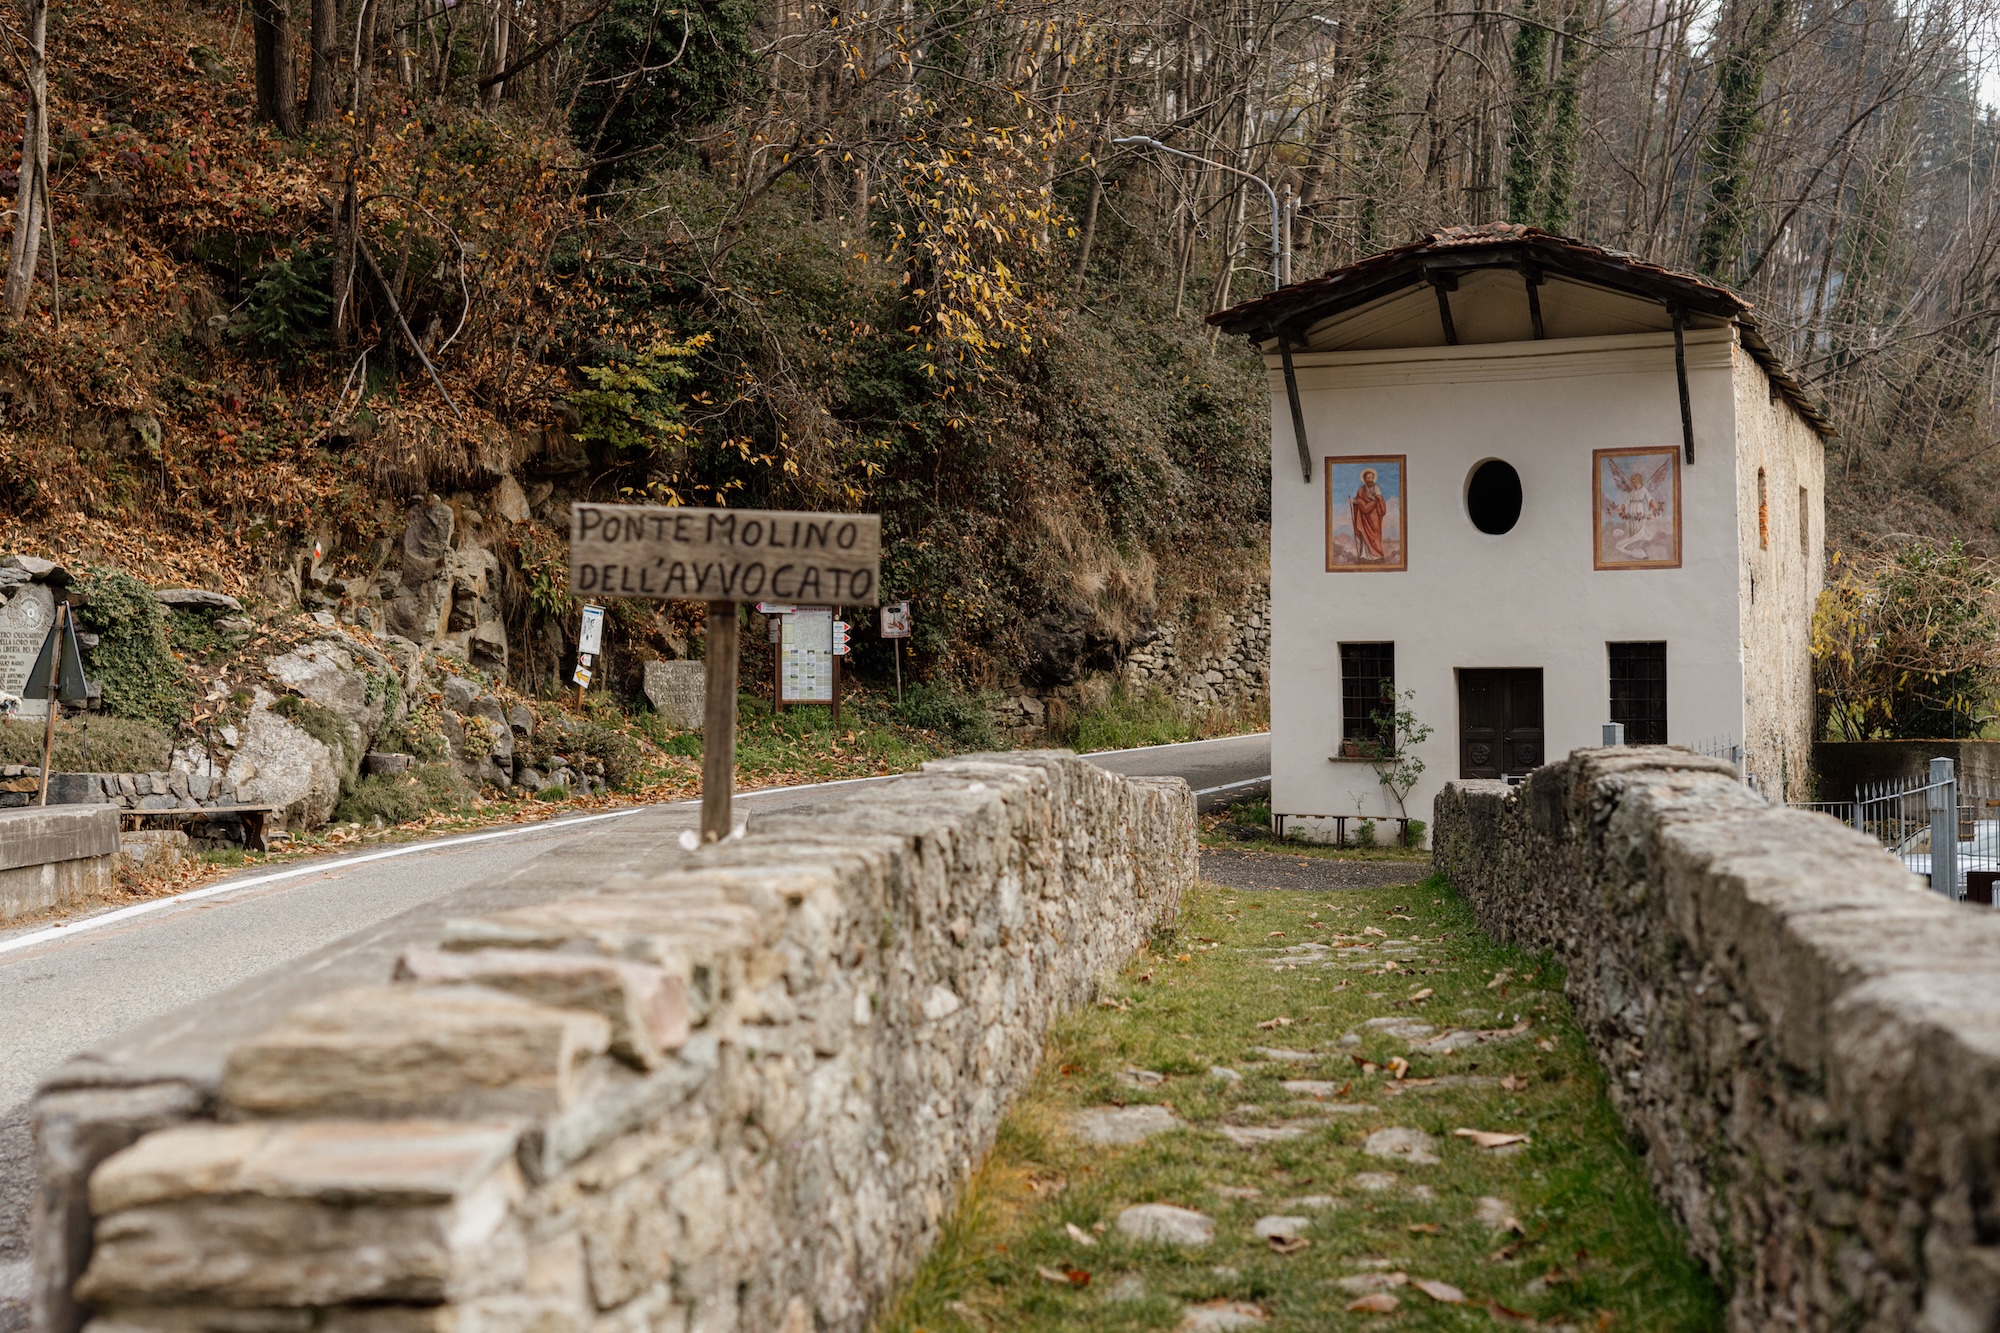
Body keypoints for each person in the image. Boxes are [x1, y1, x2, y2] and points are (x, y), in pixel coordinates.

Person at [1351, 467, 1388, 562]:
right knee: (1364, 534)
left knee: (1375, 535)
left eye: (1371, 478)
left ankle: (1377, 555)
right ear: (1365, 479)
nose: (1370, 480)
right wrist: (1353, 501)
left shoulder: (1376, 488)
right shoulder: (1361, 489)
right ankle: (1364, 555)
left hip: (1374, 516)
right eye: (1368, 478)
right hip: (1364, 516)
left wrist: (1366, 502)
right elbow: (1359, 500)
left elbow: (1379, 500)